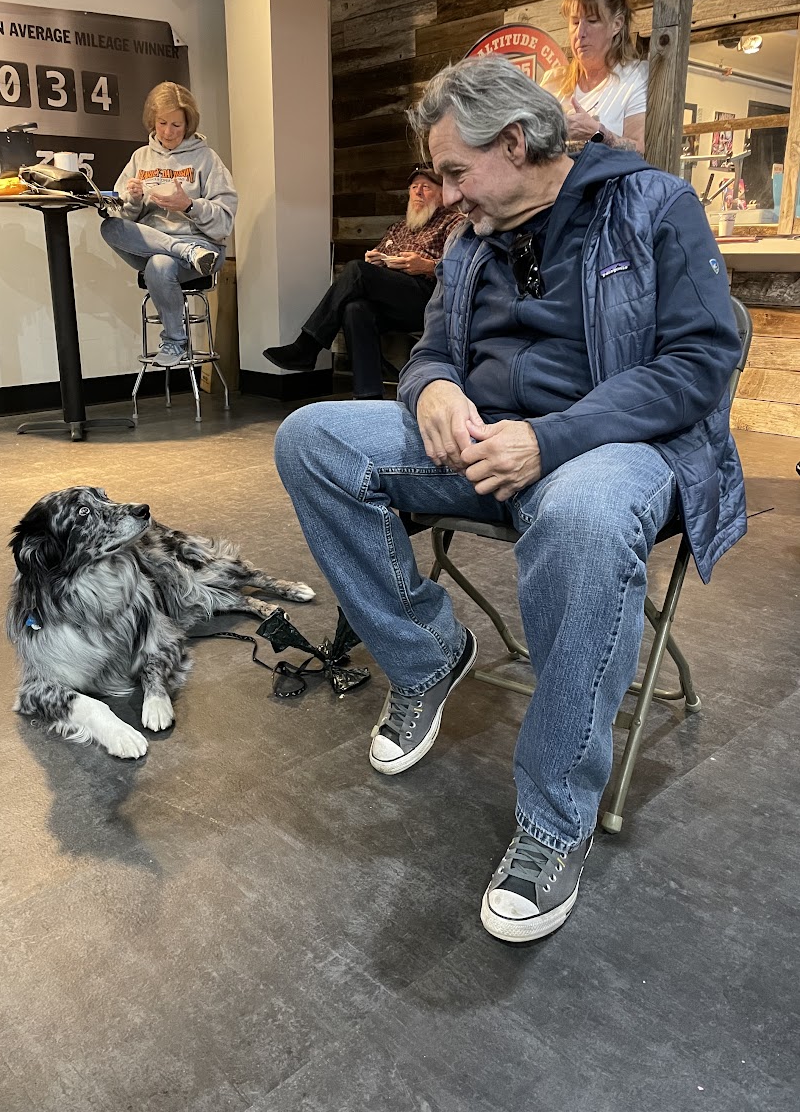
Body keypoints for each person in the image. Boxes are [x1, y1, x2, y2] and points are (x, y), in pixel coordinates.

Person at [273, 56, 745, 944]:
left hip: (613, 448)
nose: (446, 195)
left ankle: (554, 820)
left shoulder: (654, 206)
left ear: (518, 144)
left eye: (457, 171)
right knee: (312, 439)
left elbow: (698, 365)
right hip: (484, 445)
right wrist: (432, 390)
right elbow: (431, 351)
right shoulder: (472, 239)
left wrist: (551, 439)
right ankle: (426, 657)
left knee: (584, 515)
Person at [263, 166, 462, 399]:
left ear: (441, 193)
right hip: (394, 296)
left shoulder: (452, 223)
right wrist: (375, 259)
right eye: (414, 187)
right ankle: (369, 395)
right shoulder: (399, 228)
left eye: (426, 187)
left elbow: (461, 266)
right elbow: (379, 257)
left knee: (356, 270)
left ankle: (306, 347)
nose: (418, 192)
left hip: (428, 298)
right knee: (355, 308)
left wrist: (427, 266)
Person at [100, 82, 237, 366]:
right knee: (109, 226)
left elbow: (224, 222)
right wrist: (133, 200)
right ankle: (184, 252)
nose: (168, 132)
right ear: (152, 120)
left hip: (203, 248)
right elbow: (124, 218)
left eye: (176, 125)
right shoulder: (140, 157)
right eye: (162, 123)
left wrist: (188, 205)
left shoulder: (207, 158)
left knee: (160, 265)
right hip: (158, 246)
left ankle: (175, 341)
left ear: (188, 124)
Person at [540, 0, 648, 154]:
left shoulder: (634, 76)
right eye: (575, 22)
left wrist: (598, 133)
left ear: (616, 24)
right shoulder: (553, 81)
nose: (580, 33)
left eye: (592, 21)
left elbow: (638, 149)